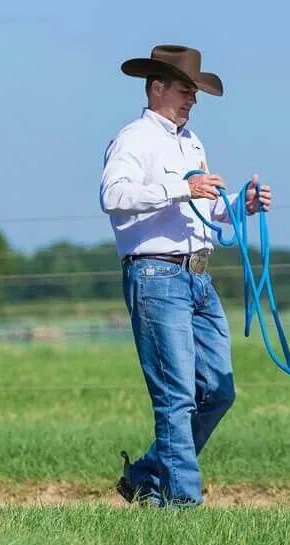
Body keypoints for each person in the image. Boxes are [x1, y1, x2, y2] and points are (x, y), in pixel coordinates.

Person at [100, 44, 272, 507]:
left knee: (219, 390)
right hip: (156, 275)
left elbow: (203, 208)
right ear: (157, 89)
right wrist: (182, 187)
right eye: (184, 90)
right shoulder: (133, 138)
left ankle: (145, 476)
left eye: (194, 92)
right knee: (176, 397)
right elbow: (113, 195)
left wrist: (240, 204)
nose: (192, 99)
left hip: (197, 277)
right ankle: (182, 506)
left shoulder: (191, 142)